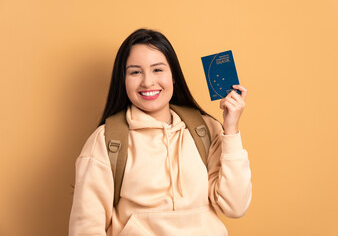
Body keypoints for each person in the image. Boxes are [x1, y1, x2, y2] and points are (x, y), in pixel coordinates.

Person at [69, 28, 252, 236]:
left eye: (157, 70)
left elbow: (235, 207)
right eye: (135, 72)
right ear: (123, 80)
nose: (147, 82)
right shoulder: (106, 141)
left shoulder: (205, 129)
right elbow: (85, 228)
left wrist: (230, 129)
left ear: (173, 76)